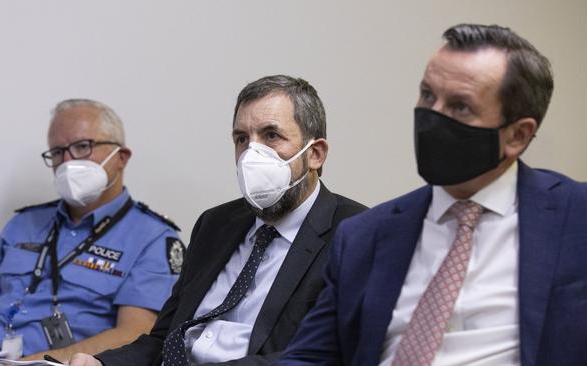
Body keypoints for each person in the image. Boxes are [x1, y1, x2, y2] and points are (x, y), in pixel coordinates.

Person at [276, 24, 587, 366]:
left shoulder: (576, 217)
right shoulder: (365, 236)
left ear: (517, 135)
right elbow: (309, 358)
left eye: (460, 106)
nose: (432, 117)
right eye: (427, 95)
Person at [68, 75, 367, 366]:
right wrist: (102, 363)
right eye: (241, 139)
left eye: (271, 135)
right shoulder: (215, 224)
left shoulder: (356, 233)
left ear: (315, 154)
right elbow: (163, 339)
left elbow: (325, 354)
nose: (252, 153)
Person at [0, 99, 183, 363]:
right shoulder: (23, 224)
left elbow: (135, 334)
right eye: (57, 152)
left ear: (121, 158)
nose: (66, 162)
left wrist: (28, 363)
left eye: (82, 146)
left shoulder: (153, 238)